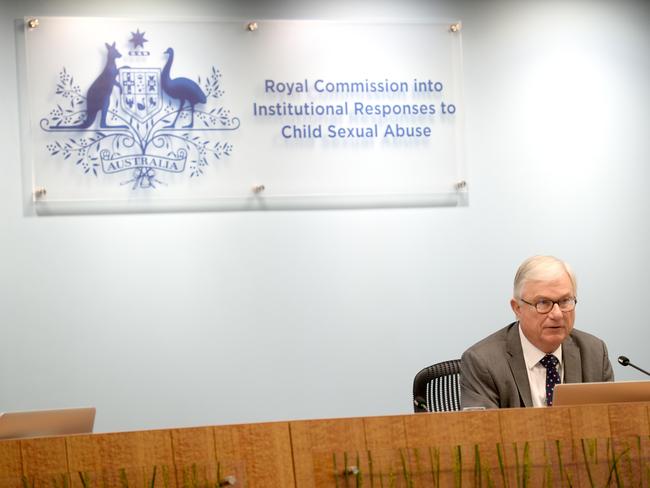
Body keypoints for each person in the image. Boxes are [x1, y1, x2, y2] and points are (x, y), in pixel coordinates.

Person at [460, 255, 614, 409]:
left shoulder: (594, 353)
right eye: (543, 303)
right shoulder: (483, 362)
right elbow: (484, 430)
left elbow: (611, 422)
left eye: (565, 301)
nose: (557, 314)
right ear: (517, 308)